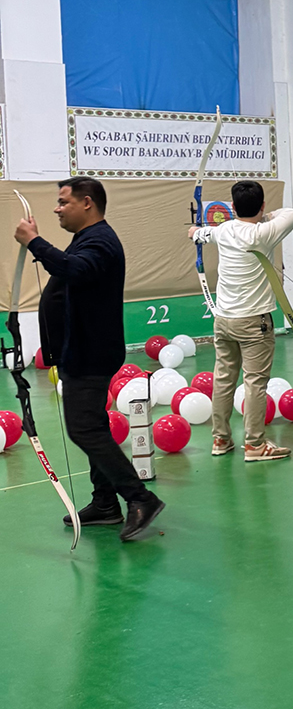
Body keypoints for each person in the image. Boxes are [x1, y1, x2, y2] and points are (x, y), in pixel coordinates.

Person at [17, 176, 164, 541]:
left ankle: (140, 498)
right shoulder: (87, 239)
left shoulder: (100, 241)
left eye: (63, 202)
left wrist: (34, 241)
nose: (57, 208)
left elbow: (75, 270)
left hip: (91, 354)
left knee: (83, 428)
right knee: (93, 424)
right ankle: (105, 503)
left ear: (87, 203)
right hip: (80, 350)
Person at [190, 180, 293, 462]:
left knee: (224, 379)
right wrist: (266, 215)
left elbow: (199, 233)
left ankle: (220, 439)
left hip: (223, 320)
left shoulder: (224, 229)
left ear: (233, 207)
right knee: (255, 383)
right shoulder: (264, 232)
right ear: (262, 206)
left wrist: (195, 232)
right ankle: (254, 445)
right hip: (254, 322)